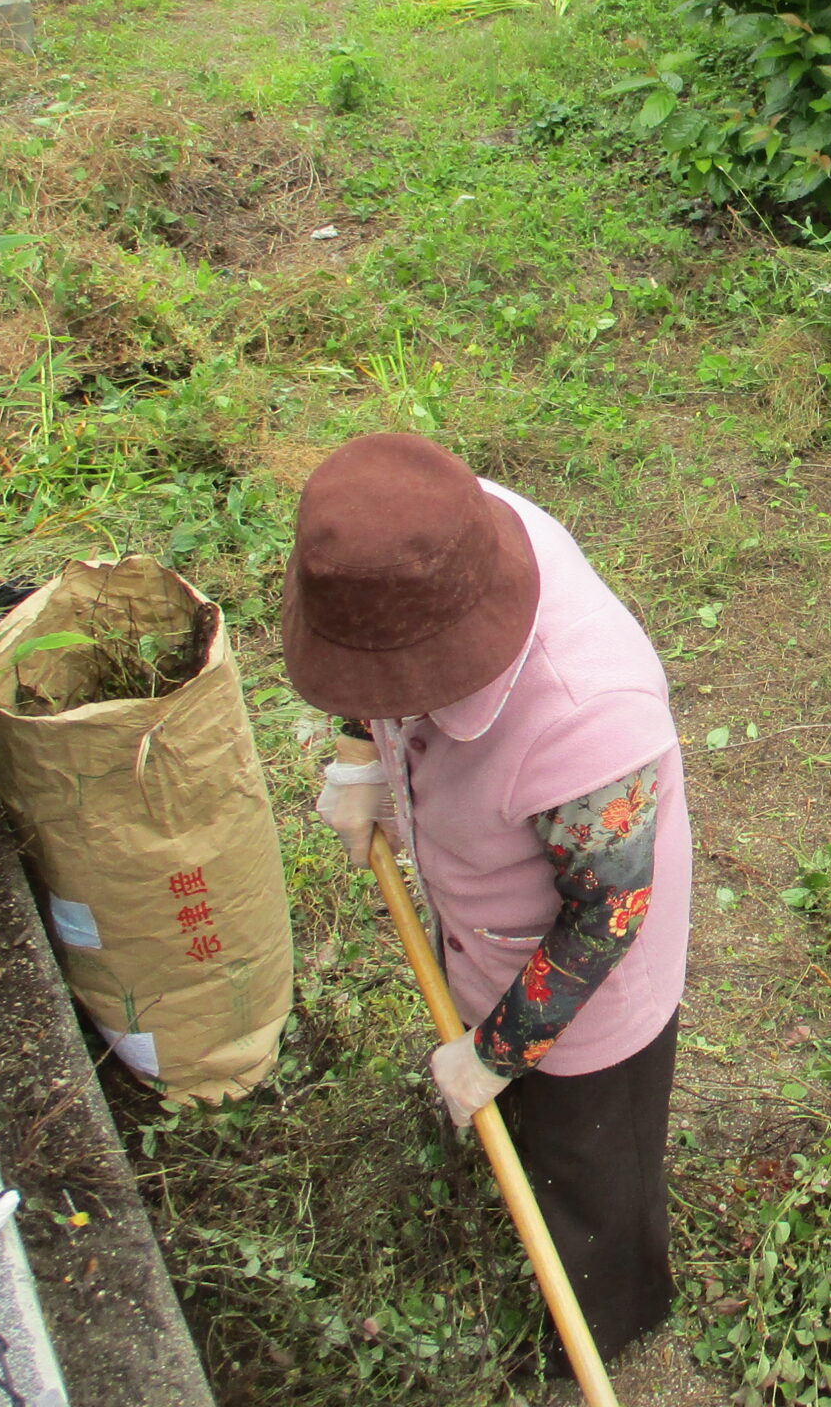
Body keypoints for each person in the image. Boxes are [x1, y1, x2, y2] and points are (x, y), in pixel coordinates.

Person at [281, 433, 690, 1364]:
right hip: (484, 910)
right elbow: (377, 657)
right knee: (522, 1127)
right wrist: (361, 754)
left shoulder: (591, 716)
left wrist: (496, 1055)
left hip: (586, 982)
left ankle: (613, 1309)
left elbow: (607, 914)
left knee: (593, 1165)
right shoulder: (427, 542)